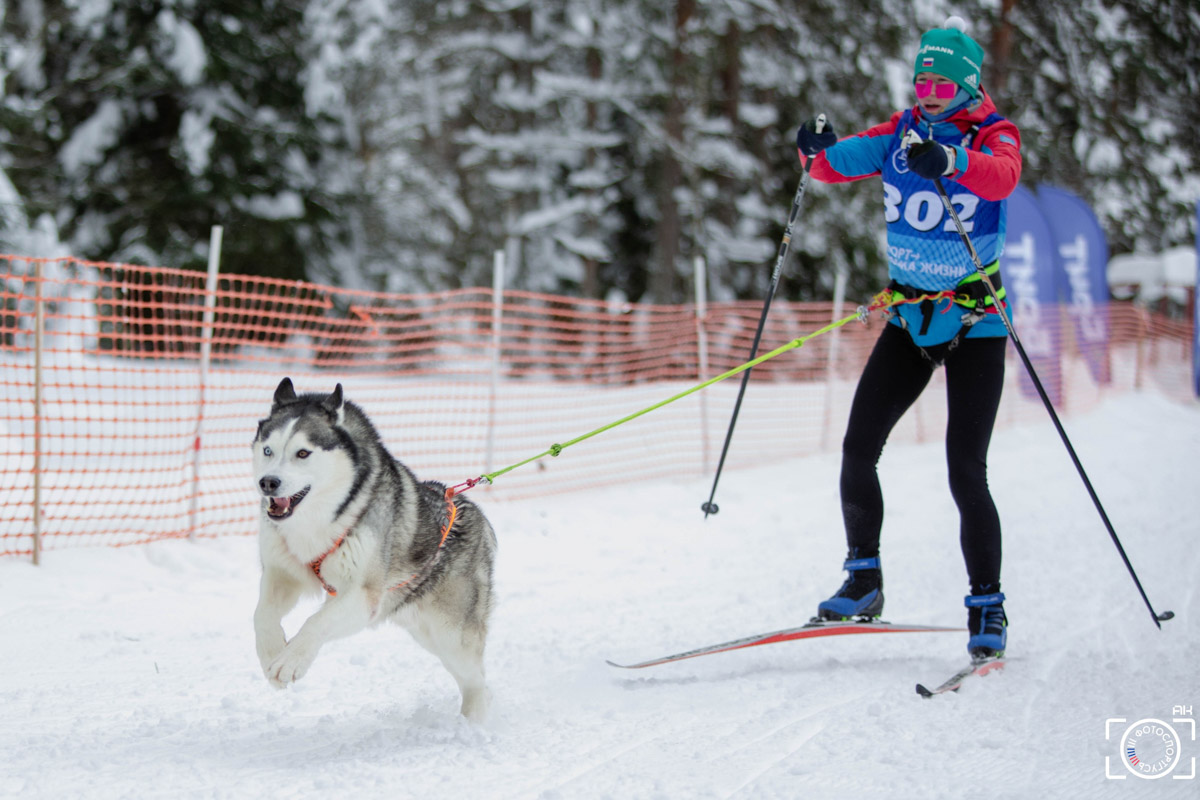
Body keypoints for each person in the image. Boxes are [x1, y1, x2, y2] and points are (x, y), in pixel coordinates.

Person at [794, 16, 1022, 660]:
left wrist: (953, 157)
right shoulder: (899, 133)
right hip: (910, 322)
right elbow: (833, 167)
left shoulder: (994, 134)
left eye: (941, 82)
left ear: (967, 84)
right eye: (921, 79)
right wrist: (813, 149)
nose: (928, 91)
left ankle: (987, 607)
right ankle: (863, 581)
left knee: (964, 470)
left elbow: (1002, 177)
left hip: (977, 327)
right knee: (858, 446)